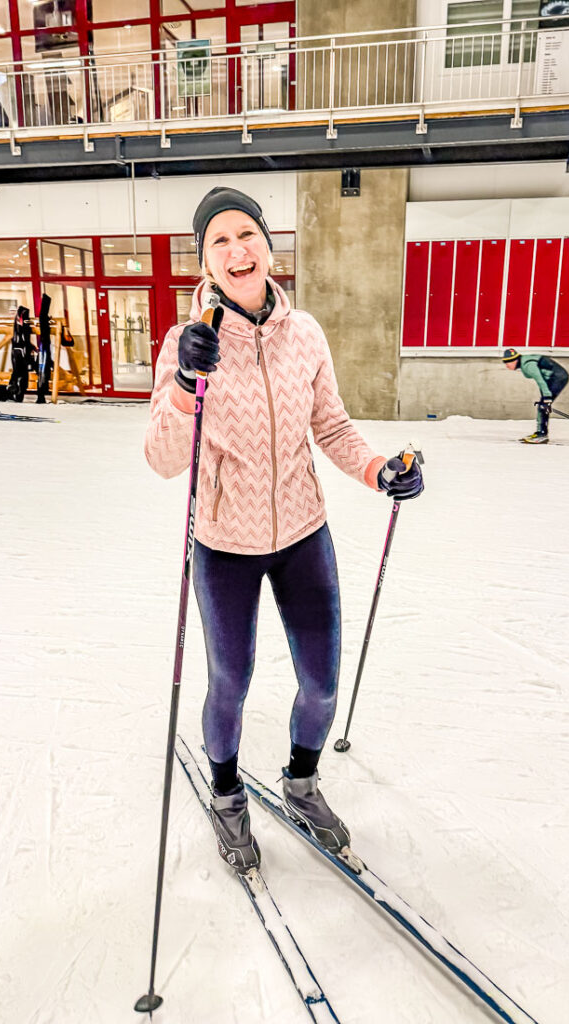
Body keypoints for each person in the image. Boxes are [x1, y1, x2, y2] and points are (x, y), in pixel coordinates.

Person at [144, 186, 424, 873]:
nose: (238, 250)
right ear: (205, 263)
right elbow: (160, 458)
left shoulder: (306, 336)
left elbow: (329, 424)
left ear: (269, 245)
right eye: (220, 241)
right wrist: (184, 386)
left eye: (248, 235)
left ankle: (302, 784)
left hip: (303, 532)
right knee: (230, 681)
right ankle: (228, 796)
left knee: (321, 683)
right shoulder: (189, 344)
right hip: (223, 546)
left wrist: (378, 468)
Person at [502, 347, 569, 444]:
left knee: (543, 406)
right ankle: (540, 432)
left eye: (508, 362)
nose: (506, 365)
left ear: (515, 360)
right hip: (554, 378)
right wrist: (545, 396)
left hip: (558, 378)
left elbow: (540, 380)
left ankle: (542, 434)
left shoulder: (528, 365)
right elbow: (543, 377)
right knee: (542, 405)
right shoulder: (525, 361)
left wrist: (546, 396)